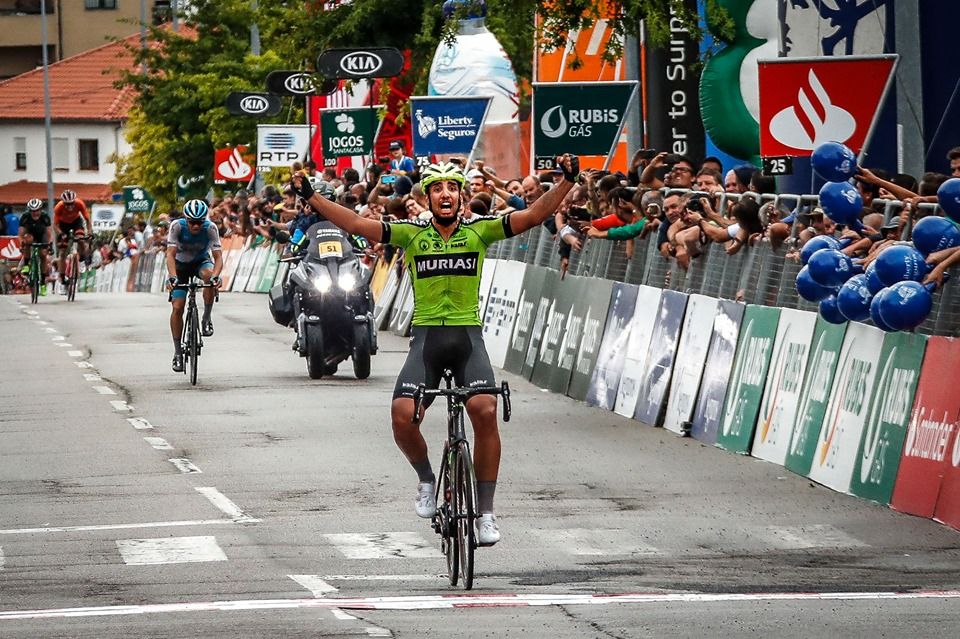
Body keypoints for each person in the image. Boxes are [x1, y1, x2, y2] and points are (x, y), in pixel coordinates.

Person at [292, 154, 582, 546]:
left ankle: (486, 513)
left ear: (462, 197)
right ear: (427, 198)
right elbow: (358, 224)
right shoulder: (412, 233)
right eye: (437, 189)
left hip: (467, 338)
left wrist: (566, 182)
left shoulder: (480, 231)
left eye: (452, 188)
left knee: (484, 409)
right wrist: (313, 197)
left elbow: (531, 216)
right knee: (401, 415)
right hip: (428, 338)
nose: (445, 194)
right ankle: (427, 480)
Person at [165, 199, 223, 373]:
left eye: (200, 222)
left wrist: (216, 276)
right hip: (180, 266)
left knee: (208, 277)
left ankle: (206, 318)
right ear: (186, 219)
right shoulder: (177, 226)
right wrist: (173, 277)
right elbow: (170, 254)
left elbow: (218, 257)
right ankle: (177, 353)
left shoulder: (211, 228)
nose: (196, 226)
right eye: (192, 222)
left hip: (201, 262)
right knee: (177, 307)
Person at [53, 190, 90, 285]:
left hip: (76, 222)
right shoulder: (58, 207)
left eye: (71, 204)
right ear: (63, 203)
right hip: (63, 225)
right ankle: (62, 277)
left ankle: (81, 260)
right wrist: (61, 233)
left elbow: (87, 220)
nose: (69, 207)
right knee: (62, 252)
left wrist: (89, 233)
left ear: (74, 202)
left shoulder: (79, 203)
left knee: (81, 239)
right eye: (67, 204)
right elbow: (55, 225)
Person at [18, 198, 53, 294]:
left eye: (37, 210)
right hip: (30, 235)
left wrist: (50, 244)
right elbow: (20, 235)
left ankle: (42, 282)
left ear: (40, 210)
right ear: (29, 211)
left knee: (43, 255)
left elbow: (49, 234)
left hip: (42, 235)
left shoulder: (45, 217)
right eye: (32, 211)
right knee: (27, 240)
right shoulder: (25, 217)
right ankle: (26, 265)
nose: (35, 213)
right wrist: (21, 244)